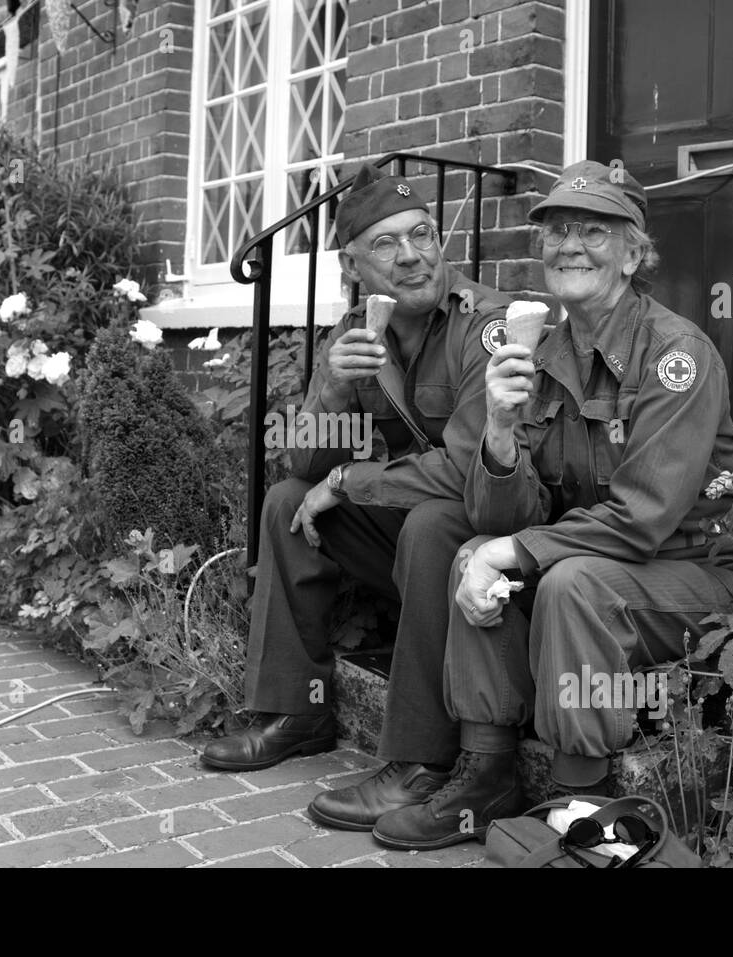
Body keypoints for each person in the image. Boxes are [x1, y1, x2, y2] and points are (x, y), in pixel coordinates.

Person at [371, 160, 733, 851]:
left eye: (593, 231)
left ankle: (588, 793)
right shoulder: (542, 351)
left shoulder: (677, 354)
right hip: (611, 558)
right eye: (555, 231)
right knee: (472, 553)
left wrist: (516, 550)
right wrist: (496, 430)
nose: (569, 245)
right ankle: (488, 768)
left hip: (697, 572)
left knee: (571, 584)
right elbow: (504, 519)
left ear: (635, 253)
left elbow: (645, 516)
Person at [200, 164, 543, 833]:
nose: (412, 255)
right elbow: (300, 459)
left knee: (433, 521)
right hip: (415, 543)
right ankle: (297, 709)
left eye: (421, 234)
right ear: (353, 264)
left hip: (497, 545)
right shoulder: (359, 330)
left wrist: (346, 483)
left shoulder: (489, 327)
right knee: (284, 501)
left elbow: (471, 470)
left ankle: (420, 760)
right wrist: (332, 387)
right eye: (386, 244)